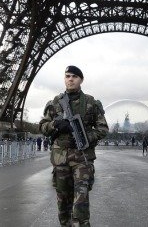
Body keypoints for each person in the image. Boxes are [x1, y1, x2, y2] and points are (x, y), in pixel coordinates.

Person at [39, 65, 109, 226]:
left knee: (81, 200)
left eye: (74, 76)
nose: (70, 79)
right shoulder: (55, 102)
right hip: (60, 157)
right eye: (68, 76)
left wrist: (85, 137)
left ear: (81, 80)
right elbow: (42, 127)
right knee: (63, 200)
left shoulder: (91, 102)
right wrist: (56, 125)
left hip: (82, 157)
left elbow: (103, 128)